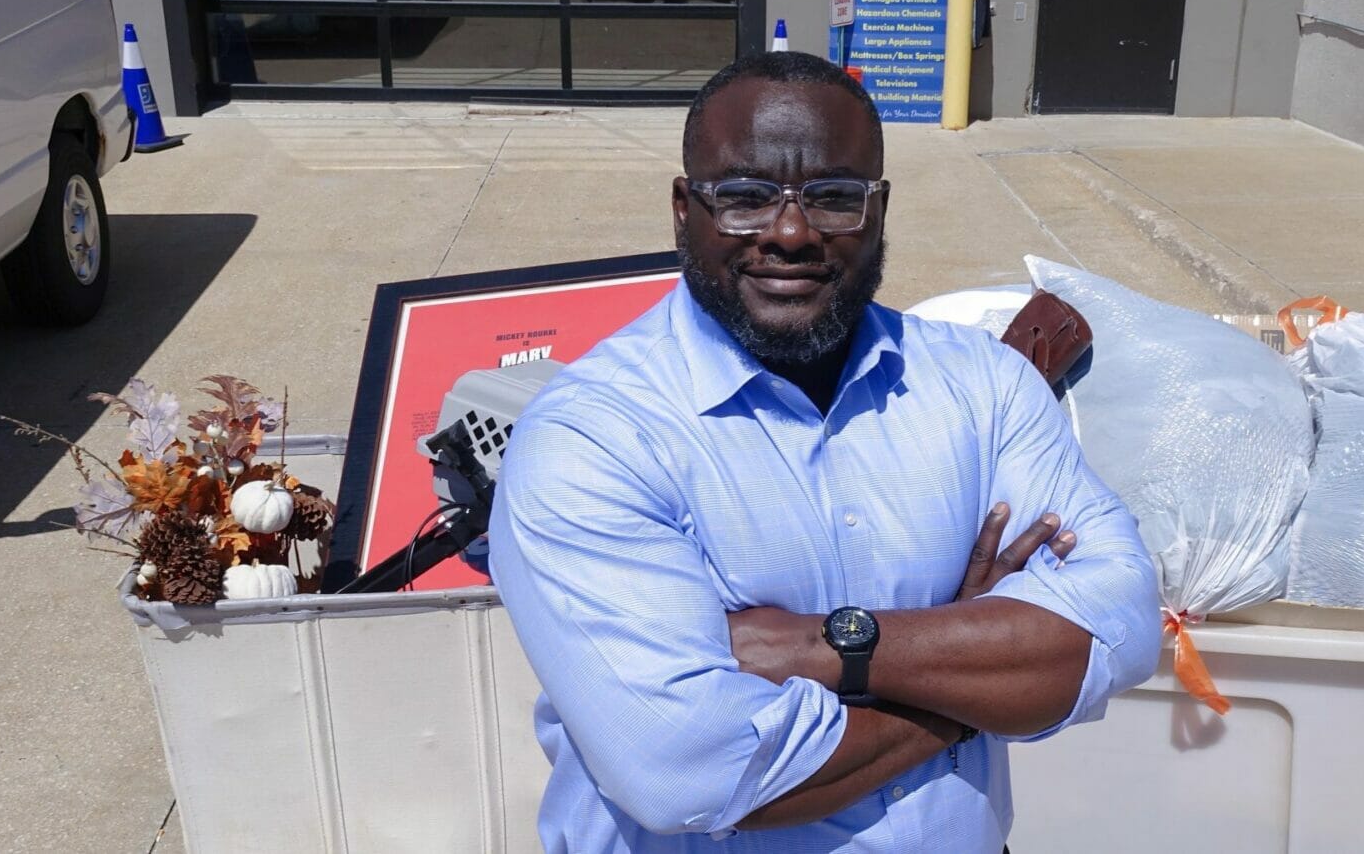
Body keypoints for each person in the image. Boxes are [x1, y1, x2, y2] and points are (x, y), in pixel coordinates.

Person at [488, 51, 1159, 853]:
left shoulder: (986, 388)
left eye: (835, 197)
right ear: (682, 209)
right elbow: (688, 770)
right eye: (743, 197)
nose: (792, 232)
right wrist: (966, 656)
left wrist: (827, 646)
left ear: (879, 209)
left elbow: (1118, 626)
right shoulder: (594, 436)